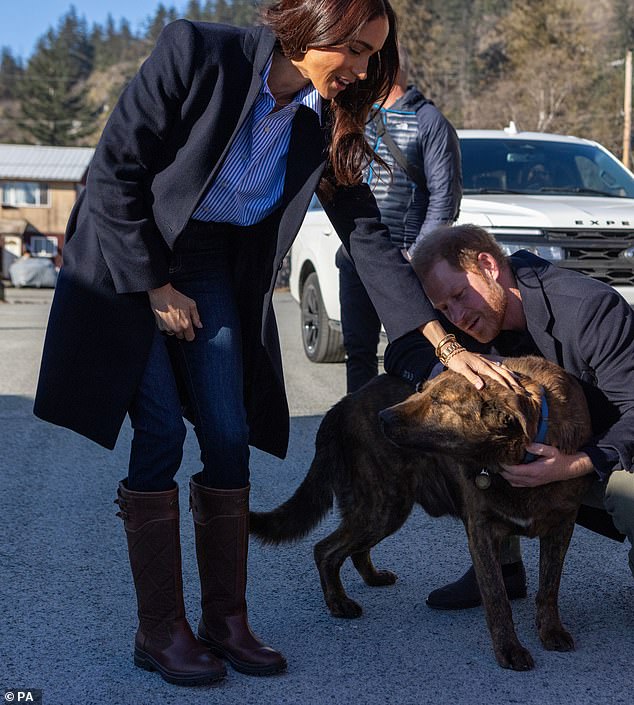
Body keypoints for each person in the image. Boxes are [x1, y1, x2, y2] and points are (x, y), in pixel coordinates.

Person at [33, 0, 510, 687]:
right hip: (125, 256)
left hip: (209, 264)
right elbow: (113, 175)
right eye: (353, 48)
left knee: (228, 432)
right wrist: (155, 286)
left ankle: (227, 620)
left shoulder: (324, 119)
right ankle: (160, 629)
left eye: (374, 54)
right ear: (312, 28)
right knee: (163, 430)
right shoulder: (197, 51)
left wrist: (441, 343)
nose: (363, 68)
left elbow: (368, 238)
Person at [388, 223, 634, 609]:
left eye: (458, 296)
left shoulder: (590, 310)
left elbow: (633, 412)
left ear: (487, 265)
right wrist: (454, 365)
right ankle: (500, 567)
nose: (457, 317)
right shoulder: (459, 327)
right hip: (535, 454)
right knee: (451, 428)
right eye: (443, 310)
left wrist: (573, 465)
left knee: (630, 495)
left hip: (606, 450)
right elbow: (400, 352)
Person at [336, 45, 462, 392]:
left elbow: (444, 199)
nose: (361, 72)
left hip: (406, 262)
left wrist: (417, 258)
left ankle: (410, 436)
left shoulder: (429, 121)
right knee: (358, 352)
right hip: (357, 258)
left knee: (413, 355)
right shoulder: (354, 114)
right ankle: (355, 435)